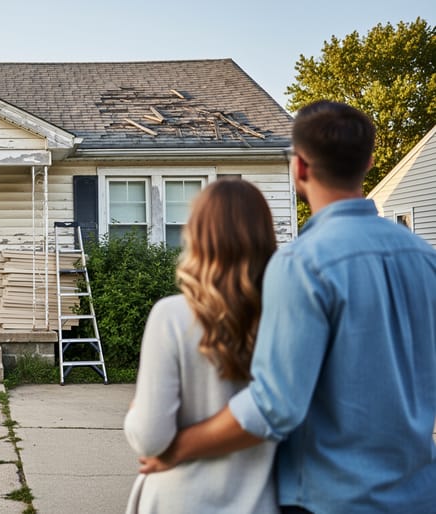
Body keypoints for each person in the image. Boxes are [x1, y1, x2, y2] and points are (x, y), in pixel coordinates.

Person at [139, 100, 436, 514]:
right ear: (369, 162)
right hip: (421, 495)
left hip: (331, 499)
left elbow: (275, 406)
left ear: (299, 169)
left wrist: (176, 449)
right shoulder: (426, 259)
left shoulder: (302, 265)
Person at [124, 179, 279, 513]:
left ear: (197, 236)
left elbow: (151, 439)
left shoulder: (171, 315)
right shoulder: (288, 319)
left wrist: (137, 408)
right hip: (259, 501)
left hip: (177, 499)